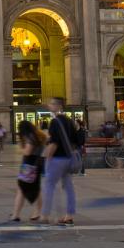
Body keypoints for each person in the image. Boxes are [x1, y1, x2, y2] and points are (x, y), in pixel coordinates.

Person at [40, 97, 77, 226]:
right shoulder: (70, 121)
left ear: (59, 106)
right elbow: (75, 141)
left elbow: (54, 143)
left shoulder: (55, 122)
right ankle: (69, 215)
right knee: (69, 187)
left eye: (52, 104)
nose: (50, 106)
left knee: (49, 186)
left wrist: (47, 157)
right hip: (68, 158)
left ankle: (45, 215)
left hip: (57, 159)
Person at [10, 120, 47, 221]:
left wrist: (20, 150)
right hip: (36, 165)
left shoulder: (30, 136)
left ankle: (16, 214)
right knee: (36, 189)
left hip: (29, 166)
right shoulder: (38, 135)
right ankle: (38, 212)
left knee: (21, 189)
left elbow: (27, 152)